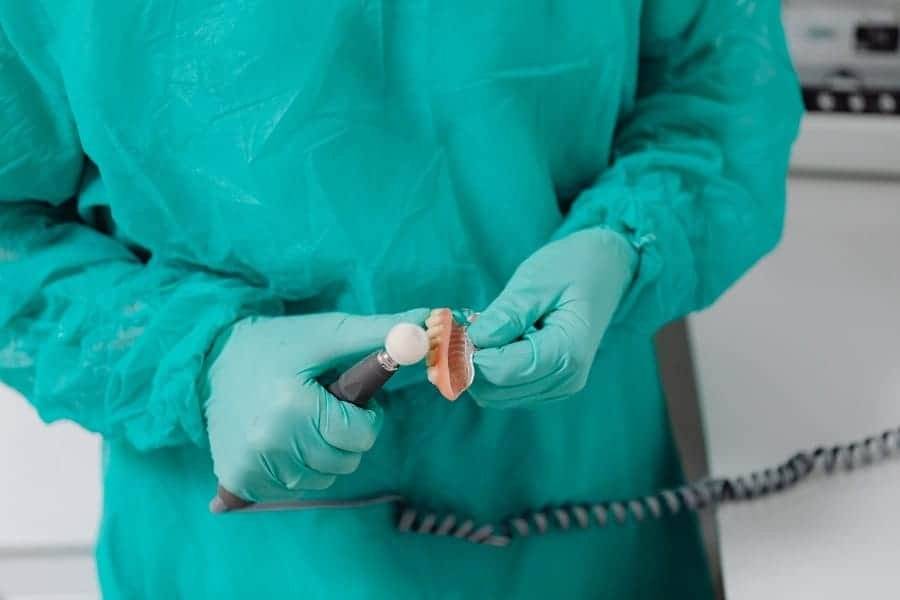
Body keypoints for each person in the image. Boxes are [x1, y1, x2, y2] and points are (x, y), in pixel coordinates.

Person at [0, 1, 802, 597]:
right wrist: (200, 360)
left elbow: (718, 76)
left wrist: (630, 240)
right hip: (244, 552)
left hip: (579, 490)